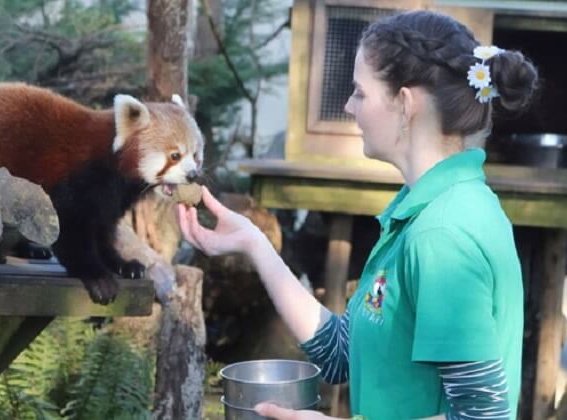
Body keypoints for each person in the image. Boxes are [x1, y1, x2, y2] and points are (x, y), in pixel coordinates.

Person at [177, 9, 538, 420]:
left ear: (405, 104)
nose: (349, 105)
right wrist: (253, 243)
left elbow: (483, 416)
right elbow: (341, 352)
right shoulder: (420, 210)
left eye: (361, 93)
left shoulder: (441, 235)